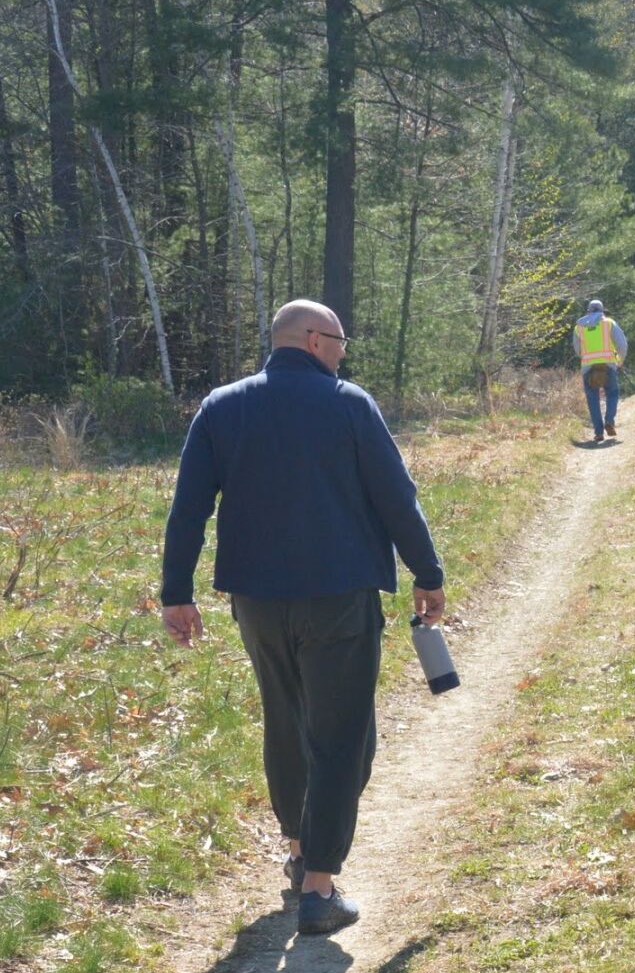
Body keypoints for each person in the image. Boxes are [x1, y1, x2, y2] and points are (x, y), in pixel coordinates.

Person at [159, 299, 446, 938]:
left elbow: (188, 510)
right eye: (341, 339)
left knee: (285, 723)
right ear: (315, 340)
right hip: (340, 597)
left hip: (257, 602)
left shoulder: (221, 407)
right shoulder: (349, 404)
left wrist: (176, 592)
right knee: (343, 736)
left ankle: (298, 851)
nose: (345, 351)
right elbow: (397, 498)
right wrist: (428, 575)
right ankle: (319, 887)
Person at [573, 298, 627, 442]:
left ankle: (598, 433)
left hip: (588, 367)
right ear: (602, 310)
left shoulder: (579, 326)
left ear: (588, 311)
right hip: (608, 364)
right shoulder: (609, 323)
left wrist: (586, 356)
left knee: (592, 399)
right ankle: (609, 420)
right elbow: (622, 345)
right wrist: (620, 360)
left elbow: (577, 349)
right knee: (612, 393)